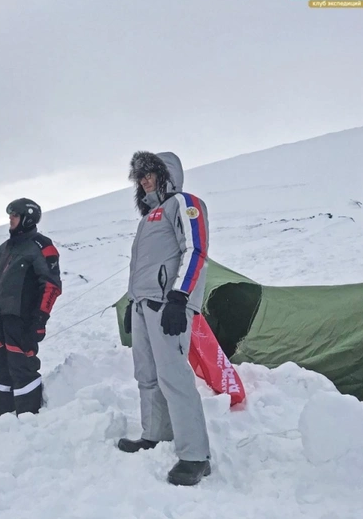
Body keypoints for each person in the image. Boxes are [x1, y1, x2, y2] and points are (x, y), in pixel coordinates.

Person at [119, 151, 211, 487]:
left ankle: (195, 456)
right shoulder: (147, 218)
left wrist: (179, 296)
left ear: (167, 174)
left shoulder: (184, 204)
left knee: (174, 376)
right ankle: (154, 434)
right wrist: (132, 302)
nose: (144, 181)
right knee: (147, 375)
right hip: (144, 304)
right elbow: (139, 266)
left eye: (150, 174)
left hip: (168, 303)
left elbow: (196, 250)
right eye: (139, 176)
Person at [0, 198, 62, 419]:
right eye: (10, 216)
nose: (10, 220)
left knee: (21, 364)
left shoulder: (42, 246)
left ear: (27, 218)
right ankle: (1, 407)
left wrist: (40, 319)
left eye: (14, 216)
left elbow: (51, 285)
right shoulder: (4, 248)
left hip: (22, 318)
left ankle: (27, 411)